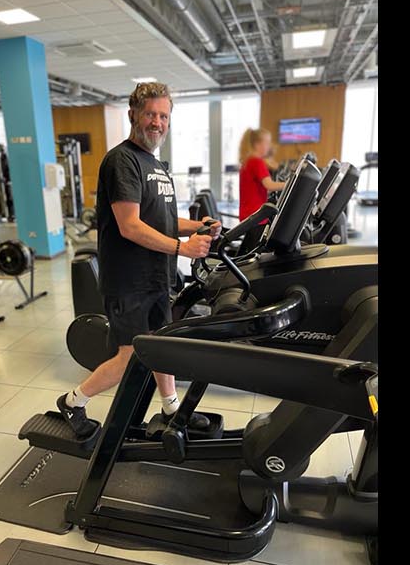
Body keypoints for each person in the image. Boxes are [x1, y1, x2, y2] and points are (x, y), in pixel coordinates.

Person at [57, 82, 222, 438]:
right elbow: (130, 226)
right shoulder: (123, 160)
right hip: (129, 280)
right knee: (131, 356)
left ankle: (172, 407)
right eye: (151, 114)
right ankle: (73, 402)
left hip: (155, 277)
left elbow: (160, 219)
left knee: (162, 346)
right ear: (133, 114)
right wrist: (183, 248)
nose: (157, 122)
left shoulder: (157, 165)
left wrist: (200, 226)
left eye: (164, 116)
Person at [237, 128, 287, 222]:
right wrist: (290, 184)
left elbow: (258, 187)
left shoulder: (249, 160)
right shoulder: (257, 162)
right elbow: (269, 185)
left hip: (247, 214)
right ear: (257, 144)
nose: (269, 147)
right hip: (256, 215)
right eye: (267, 143)